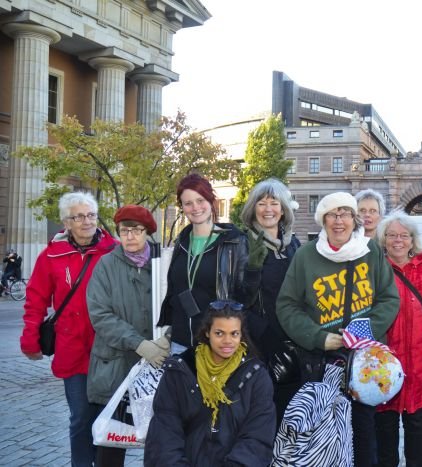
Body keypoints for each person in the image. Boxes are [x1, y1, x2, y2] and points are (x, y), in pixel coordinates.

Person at [276, 191, 400, 467]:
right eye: (332, 215)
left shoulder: (371, 252)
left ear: (354, 219)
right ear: (323, 220)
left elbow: (389, 299)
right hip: (321, 364)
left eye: (345, 214)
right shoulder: (306, 256)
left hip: (362, 365)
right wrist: (319, 337)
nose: (339, 221)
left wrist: (364, 333)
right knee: (324, 437)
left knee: (363, 435)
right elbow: (287, 305)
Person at [19, 191, 118, 467]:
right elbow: (35, 300)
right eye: (79, 217)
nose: (87, 221)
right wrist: (30, 340)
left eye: (91, 215)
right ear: (66, 222)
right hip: (72, 348)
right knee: (81, 417)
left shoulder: (114, 251)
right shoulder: (51, 255)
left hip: (109, 349)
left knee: (110, 417)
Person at [86, 205, 169, 467]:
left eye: (137, 230)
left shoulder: (163, 263)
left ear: (147, 232)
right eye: (124, 231)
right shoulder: (106, 265)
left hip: (157, 365)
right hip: (115, 366)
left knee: (160, 442)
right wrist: (138, 343)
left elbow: (177, 304)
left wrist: (168, 337)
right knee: (113, 443)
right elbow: (100, 315)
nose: (130, 236)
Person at [145, 300, 276, 466]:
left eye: (234, 334)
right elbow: (164, 434)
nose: (228, 341)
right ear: (207, 332)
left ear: (241, 335)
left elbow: (257, 438)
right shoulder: (179, 371)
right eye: (219, 333)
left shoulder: (257, 376)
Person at [374, 211, 422, 467]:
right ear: (383, 239)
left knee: (419, 439)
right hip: (383, 371)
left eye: (404, 235)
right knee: (384, 439)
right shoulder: (375, 272)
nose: (398, 240)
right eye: (392, 235)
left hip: (421, 369)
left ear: (412, 240)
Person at [158, 173, 256, 353]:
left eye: (200, 200)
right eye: (188, 203)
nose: (195, 208)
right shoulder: (182, 241)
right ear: (182, 207)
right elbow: (175, 292)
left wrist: (254, 270)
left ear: (211, 201)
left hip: (217, 346)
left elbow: (245, 298)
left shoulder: (234, 242)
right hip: (180, 344)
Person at [239, 178, 301, 425]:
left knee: (289, 417)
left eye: (274, 203)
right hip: (259, 343)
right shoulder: (242, 244)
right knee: (260, 416)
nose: (268, 209)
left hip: (293, 342)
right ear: (253, 208)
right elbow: (236, 298)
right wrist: (264, 334)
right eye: (261, 203)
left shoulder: (293, 244)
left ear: (283, 209)